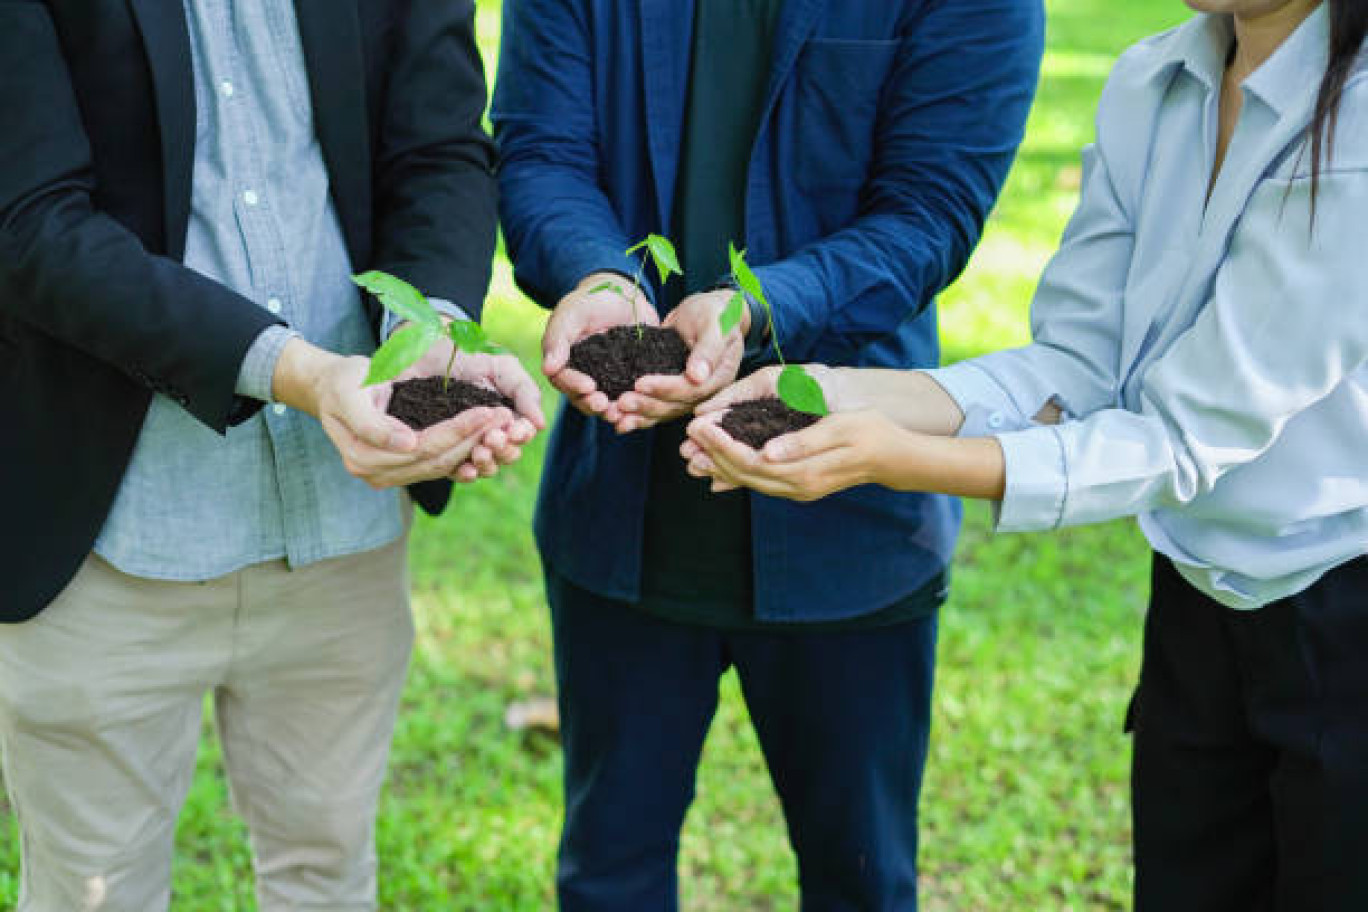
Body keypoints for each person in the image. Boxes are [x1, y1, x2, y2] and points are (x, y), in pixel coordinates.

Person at [686, 0, 1368, 907]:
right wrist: (838, 393)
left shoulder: (1354, 122)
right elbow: (1078, 362)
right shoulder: (1153, 81)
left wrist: (890, 456)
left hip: (1343, 600)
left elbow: (1183, 433)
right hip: (1200, 602)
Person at [494, 1, 1043, 907]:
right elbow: (540, 151)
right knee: (608, 873)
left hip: (851, 509)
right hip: (619, 509)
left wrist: (758, 308)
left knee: (858, 877)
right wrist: (601, 277)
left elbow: (930, 211)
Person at [0, 1, 541, 909]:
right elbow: (32, 222)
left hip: (341, 523)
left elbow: (439, 148)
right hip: (106, 532)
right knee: (93, 891)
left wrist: (430, 334)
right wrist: (299, 373)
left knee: (327, 877)